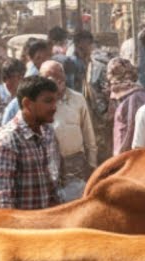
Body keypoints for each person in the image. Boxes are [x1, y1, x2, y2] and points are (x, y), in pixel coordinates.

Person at [0, 75, 59, 209]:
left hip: (39, 223)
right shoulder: (7, 142)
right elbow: (4, 203)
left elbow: (50, 184)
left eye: (54, 101)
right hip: (17, 227)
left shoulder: (45, 132)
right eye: (48, 101)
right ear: (27, 103)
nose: (54, 107)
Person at [38, 60, 96, 201]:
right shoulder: (37, 103)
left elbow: (89, 135)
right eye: (51, 77)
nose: (57, 80)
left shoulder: (78, 99)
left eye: (60, 75)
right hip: (46, 168)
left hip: (75, 168)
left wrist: (93, 165)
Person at [106, 58, 145, 156]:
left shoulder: (135, 97)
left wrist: (121, 155)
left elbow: (131, 130)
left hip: (130, 154)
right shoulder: (123, 95)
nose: (112, 84)